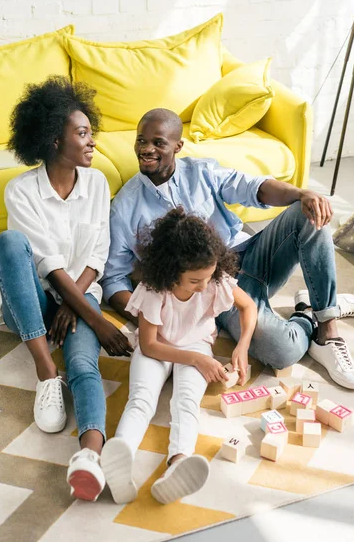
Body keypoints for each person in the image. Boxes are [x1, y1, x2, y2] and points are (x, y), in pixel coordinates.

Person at [101, 108, 354, 391]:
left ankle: (327, 327)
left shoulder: (202, 171)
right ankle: (307, 312)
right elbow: (113, 279)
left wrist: (302, 194)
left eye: (158, 142)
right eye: (141, 141)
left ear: (178, 146)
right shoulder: (125, 207)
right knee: (282, 352)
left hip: (251, 254)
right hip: (212, 289)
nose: (146, 149)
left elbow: (255, 188)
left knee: (311, 210)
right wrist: (152, 319)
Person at [0, 76, 132, 502]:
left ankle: (88, 456)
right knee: (10, 243)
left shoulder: (98, 183)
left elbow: (97, 254)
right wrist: (97, 319)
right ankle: (46, 370)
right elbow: (45, 263)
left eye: (91, 132)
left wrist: (81, 305)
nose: (92, 142)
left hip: (79, 294)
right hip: (27, 301)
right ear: (52, 140)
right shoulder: (21, 191)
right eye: (82, 133)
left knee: (86, 367)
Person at [100, 207, 257, 504]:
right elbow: (148, 345)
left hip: (196, 345)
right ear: (172, 272)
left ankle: (178, 464)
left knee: (186, 402)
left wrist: (242, 346)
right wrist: (199, 360)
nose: (204, 286)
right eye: (195, 281)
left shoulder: (214, 279)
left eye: (208, 277)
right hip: (157, 347)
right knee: (141, 400)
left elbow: (248, 306)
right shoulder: (153, 289)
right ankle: (120, 456)